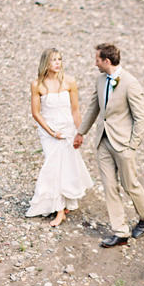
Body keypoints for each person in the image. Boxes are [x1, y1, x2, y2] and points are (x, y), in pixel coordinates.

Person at [74, 43, 144, 247]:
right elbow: (94, 107)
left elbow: (141, 118)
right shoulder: (100, 80)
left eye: (97, 60)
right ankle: (121, 232)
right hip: (103, 141)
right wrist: (81, 132)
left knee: (130, 185)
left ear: (106, 61)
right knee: (109, 187)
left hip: (123, 144)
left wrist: (132, 146)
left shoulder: (130, 83)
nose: (95, 63)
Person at [26, 48, 93, 227]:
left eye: (59, 59)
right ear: (45, 63)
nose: (57, 63)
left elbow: (75, 110)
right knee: (53, 166)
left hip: (68, 128)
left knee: (67, 166)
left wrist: (80, 132)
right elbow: (36, 113)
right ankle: (59, 210)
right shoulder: (37, 85)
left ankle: (63, 205)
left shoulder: (69, 82)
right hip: (49, 131)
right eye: (53, 60)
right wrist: (51, 132)